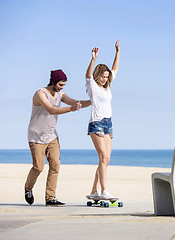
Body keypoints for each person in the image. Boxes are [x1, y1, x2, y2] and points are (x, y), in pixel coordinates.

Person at [25, 69, 91, 206]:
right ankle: (28, 188)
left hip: (52, 136)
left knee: (55, 165)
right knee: (38, 167)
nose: (62, 87)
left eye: (63, 85)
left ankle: (50, 198)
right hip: (36, 136)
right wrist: (70, 109)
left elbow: (76, 102)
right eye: (60, 84)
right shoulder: (40, 94)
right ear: (53, 82)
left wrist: (92, 101)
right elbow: (50, 109)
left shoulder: (60, 94)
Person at [85, 40, 120, 200]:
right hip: (97, 123)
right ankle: (104, 190)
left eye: (107, 77)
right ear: (97, 76)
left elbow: (115, 69)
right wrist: (93, 59)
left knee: (106, 159)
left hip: (108, 124)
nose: (105, 79)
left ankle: (94, 191)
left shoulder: (107, 88)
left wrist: (117, 52)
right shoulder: (92, 86)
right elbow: (87, 75)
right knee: (103, 157)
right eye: (103, 76)